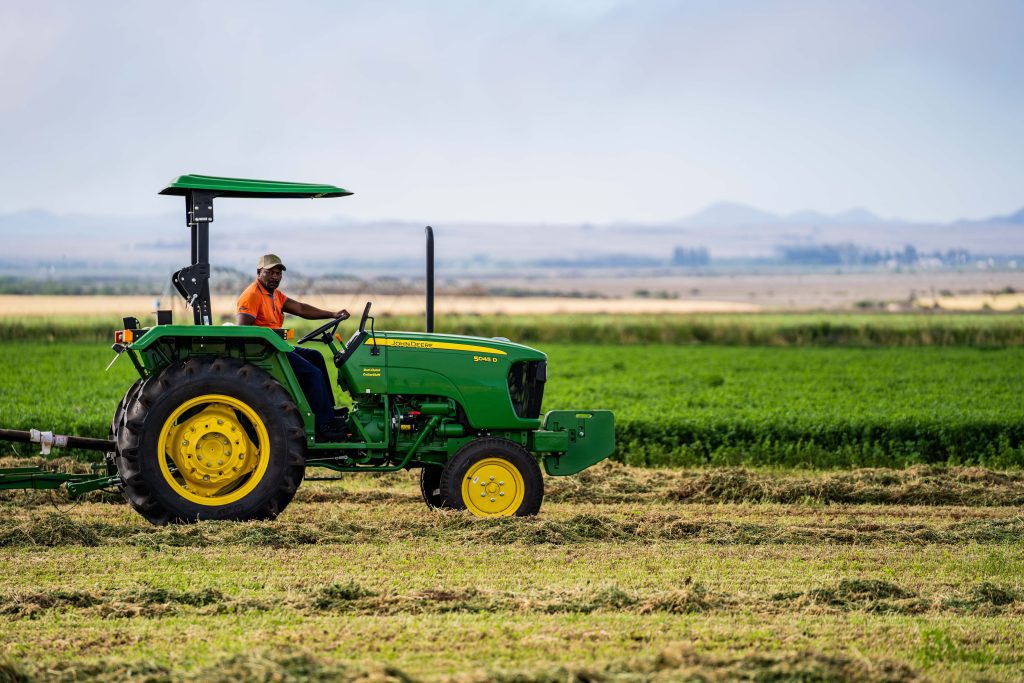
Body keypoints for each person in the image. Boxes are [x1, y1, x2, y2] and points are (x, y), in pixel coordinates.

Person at [236, 254, 349, 441]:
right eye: (269, 272)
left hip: (277, 347)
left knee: (316, 357)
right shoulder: (251, 296)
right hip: (267, 353)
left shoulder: (275, 295)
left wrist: (332, 314)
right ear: (259, 272)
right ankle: (323, 426)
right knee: (312, 373)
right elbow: (243, 332)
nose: (274, 277)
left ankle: (328, 411)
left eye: (278, 273)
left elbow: (301, 309)